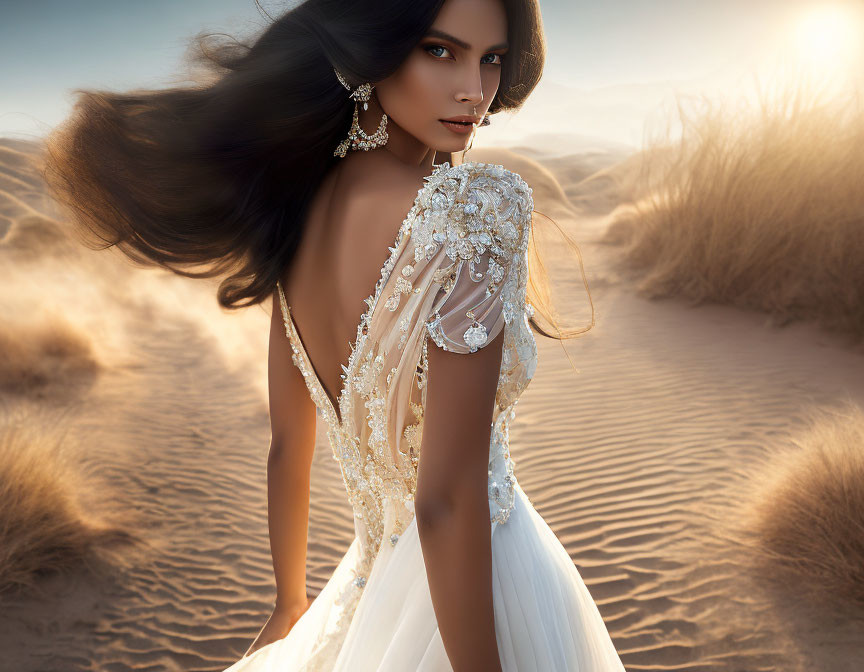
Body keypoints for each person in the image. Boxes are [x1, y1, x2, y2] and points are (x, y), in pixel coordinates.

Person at [41, 0, 624, 669]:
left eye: (492, 58)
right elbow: (445, 500)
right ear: (369, 54)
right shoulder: (476, 208)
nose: (475, 89)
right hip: (482, 586)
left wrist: (289, 604)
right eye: (440, 51)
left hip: (366, 597)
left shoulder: (298, 210)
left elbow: (289, 446)